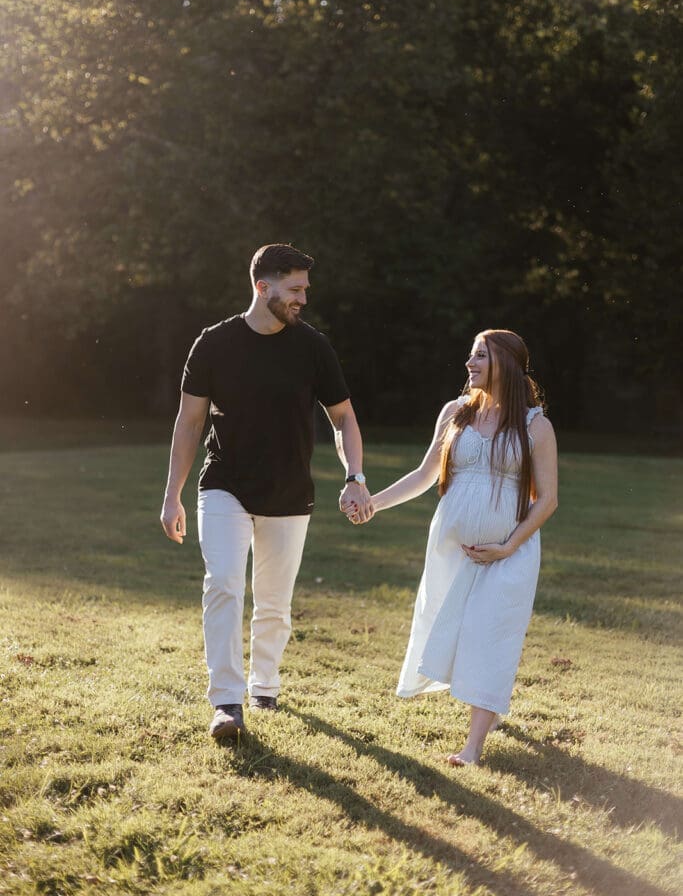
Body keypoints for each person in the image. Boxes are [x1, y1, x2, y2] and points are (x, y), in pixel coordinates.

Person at [160, 243, 373, 741]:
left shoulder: (312, 346)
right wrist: (173, 494)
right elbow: (190, 423)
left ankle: (265, 685)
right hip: (224, 483)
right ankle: (227, 703)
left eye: (304, 290)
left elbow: (343, 417)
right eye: (295, 289)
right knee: (224, 584)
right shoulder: (213, 344)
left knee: (274, 603)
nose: (302, 299)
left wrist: (355, 476)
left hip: (289, 488)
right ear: (264, 286)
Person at [343, 329, 558, 766]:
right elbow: (425, 475)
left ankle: (473, 747)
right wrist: (374, 503)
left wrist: (507, 546)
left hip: (508, 552)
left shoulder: (536, 425)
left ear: (507, 364)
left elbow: (548, 499)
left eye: (480, 355)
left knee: (490, 635)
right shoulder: (455, 412)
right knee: (454, 628)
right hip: (452, 548)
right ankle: (488, 713)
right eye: (470, 355)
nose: (469, 363)